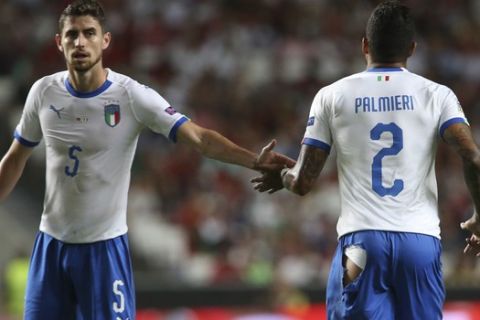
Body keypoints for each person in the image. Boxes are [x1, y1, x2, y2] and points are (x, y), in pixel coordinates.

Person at [0, 1, 294, 319]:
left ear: (106, 40)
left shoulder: (131, 96)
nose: (80, 42)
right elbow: (15, 158)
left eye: (89, 33)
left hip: (103, 249)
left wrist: (253, 160)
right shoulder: (43, 92)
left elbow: (198, 137)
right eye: (72, 35)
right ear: (59, 42)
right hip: (51, 247)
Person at [252, 1, 480, 319]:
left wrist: (283, 176)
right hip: (420, 243)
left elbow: (303, 182)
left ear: (364, 45)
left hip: (361, 243)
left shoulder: (332, 95)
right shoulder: (437, 95)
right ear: (412, 48)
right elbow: (472, 156)